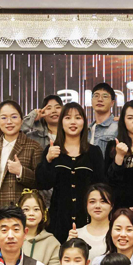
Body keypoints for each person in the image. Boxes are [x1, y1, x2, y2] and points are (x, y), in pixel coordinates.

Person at [37, 102, 107, 243]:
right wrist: (48, 160)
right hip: (58, 219)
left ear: (84, 122)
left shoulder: (93, 152)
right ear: (61, 122)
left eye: (78, 117)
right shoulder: (52, 150)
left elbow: (102, 187)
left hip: (87, 219)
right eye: (68, 118)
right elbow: (42, 183)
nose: (73, 122)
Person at [0, 100, 42, 237]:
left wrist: (21, 171)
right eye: (3, 118)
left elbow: (41, 183)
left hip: (19, 215)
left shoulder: (33, 147)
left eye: (14, 117)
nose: (9, 122)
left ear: (21, 120)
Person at [0, 190, 60, 265]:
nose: (31, 213)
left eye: (36, 209)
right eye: (26, 209)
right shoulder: (8, 238)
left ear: (44, 213)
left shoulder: (52, 243)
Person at [74, 184, 113, 260]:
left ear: (111, 206)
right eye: (92, 202)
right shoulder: (77, 234)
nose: (97, 206)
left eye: (103, 201)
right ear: (86, 205)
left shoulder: (118, 233)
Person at [89, 82, 118, 155]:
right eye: (96, 96)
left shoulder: (119, 126)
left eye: (105, 96)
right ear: (91, 101)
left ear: (112, 103)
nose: (100, 99)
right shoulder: (86, 129)